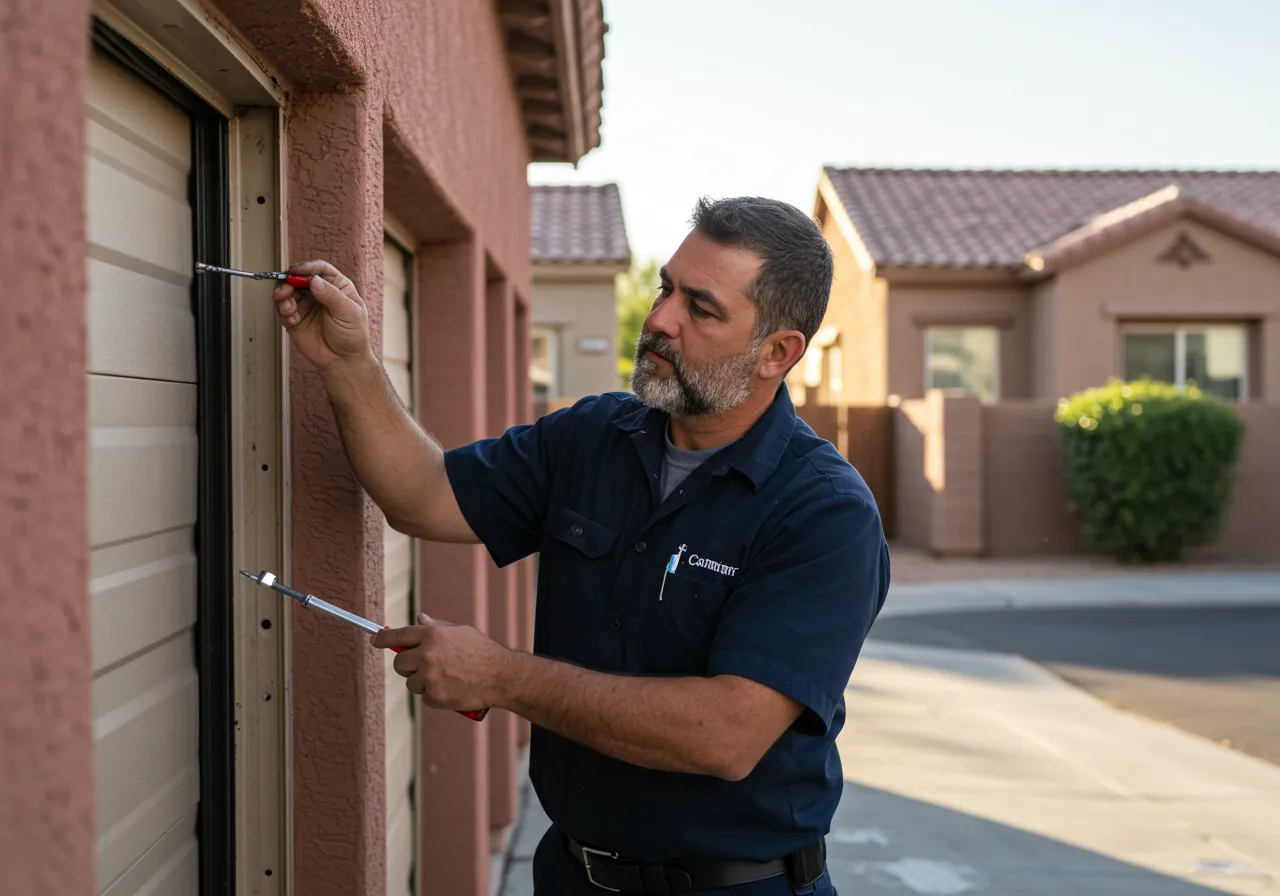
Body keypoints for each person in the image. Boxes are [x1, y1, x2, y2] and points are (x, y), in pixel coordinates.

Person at [272, 195, 890, 895]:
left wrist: (501, 676)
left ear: (777, 353)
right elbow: (424, 493)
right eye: (665, 289)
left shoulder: (823, 512)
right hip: (572, 873)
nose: (660, 319)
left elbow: (726, 734)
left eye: (701, 309)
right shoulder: (593, 437)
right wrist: (349, 363)